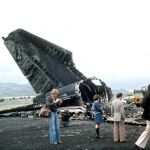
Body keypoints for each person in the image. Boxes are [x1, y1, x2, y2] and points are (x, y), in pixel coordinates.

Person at [135, 84, 150, 150]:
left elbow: (141, 104)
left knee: (148, 130)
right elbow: (143, 104)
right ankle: (139, 144)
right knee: (148, 130)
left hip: (148, 115)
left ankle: (139, 144)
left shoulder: (147, 94)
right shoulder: (148, 95)